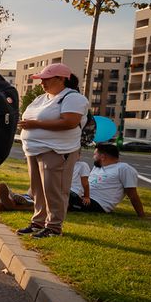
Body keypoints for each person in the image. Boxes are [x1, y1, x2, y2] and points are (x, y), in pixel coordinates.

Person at [17, 63, 90, 238]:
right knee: (38, 189)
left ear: (61, 79)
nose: (42, 83)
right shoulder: (41, 98)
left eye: (46, 79)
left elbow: (69, 122)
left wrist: (36, 124)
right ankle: (38, 222)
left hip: (57, 150)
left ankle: (54, 227)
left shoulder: (73, 98)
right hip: (34, 150)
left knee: (54, 189)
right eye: (41, 79)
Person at [71, 143, 146, 217]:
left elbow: (132, 194)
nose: (93, 157)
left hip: (99, 203)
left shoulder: (124, 168)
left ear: (102, 157)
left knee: (65, 197)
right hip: (83, 197)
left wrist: (141, 215)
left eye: (95, 155)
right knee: (62, 194)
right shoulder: (97, 167)